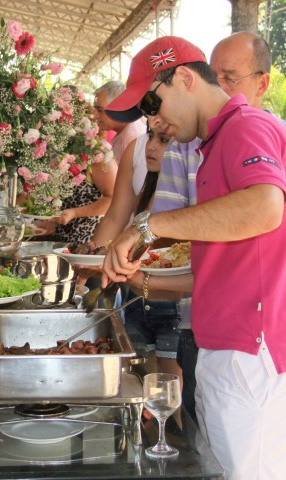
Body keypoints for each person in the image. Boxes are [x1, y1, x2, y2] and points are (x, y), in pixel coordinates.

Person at [103, 35, 286, 480]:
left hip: (258, 354)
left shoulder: (245, 126)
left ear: (183, 78)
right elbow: (228, 267)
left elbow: (264, 207)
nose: (154, 121)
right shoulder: (211, 145)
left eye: (152, 104)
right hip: (230, 348)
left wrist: (149, 226)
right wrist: (143, 282)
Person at [91, 123, 181, 377]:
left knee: (170, 385)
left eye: (163, 140)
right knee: (143, 379)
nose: (150, 146)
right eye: (150, 136)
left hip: (172, 306)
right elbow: (115, 220)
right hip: (137, 300)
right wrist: (95, 258)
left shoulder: (182, 192)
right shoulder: (149, 183)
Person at [93, 80, 147, 166]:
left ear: (119, 108)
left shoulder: (132, 139)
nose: (94, 115)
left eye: (99, 110)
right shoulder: (125, 132)